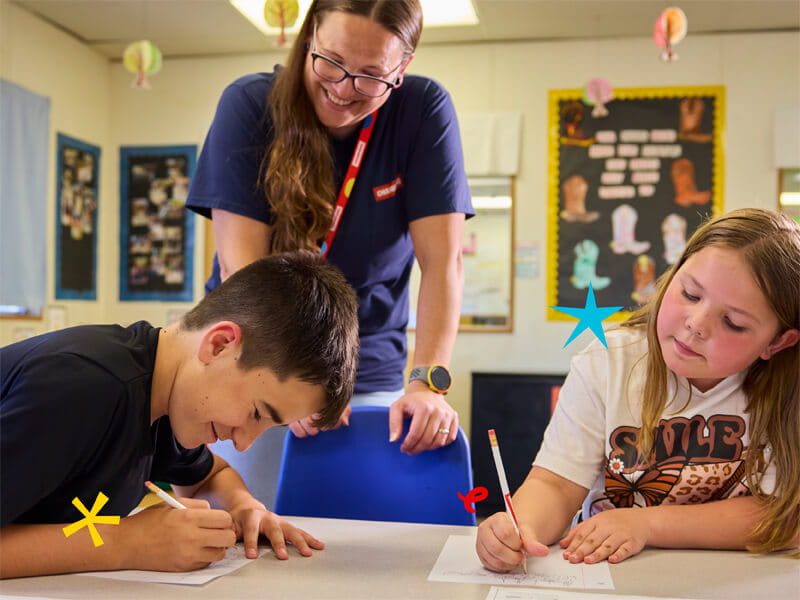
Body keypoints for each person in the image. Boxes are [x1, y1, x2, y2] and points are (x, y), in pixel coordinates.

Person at [186, 0, 473, 455]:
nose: (344, 88)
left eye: (371, 74)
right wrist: (292, 381)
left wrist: (426, 384)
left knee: (366, 521)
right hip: (257, 365)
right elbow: (241, 269)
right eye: (332, 62)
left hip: (367, 369)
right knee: (241, 521)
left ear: (402, 68)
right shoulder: (248, 104)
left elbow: (443, 262)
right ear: (309, 37)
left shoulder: (422, 110)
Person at [476, 208, 800, 571]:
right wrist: (519, 528)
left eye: (733, 322)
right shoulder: (608, 363)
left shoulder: (789, 389)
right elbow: (556, 485)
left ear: (779, 341)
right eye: (691, 294)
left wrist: (646, 524)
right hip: (614, 576)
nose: (696, 325)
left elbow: (787, 518)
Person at [0, 252, 359, 578]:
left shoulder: (169, 402)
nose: (245, 443)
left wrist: (244, 506)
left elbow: (207, 476)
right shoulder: (80, 385)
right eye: (256, 413)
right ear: (218, 345)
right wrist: (126, 543)